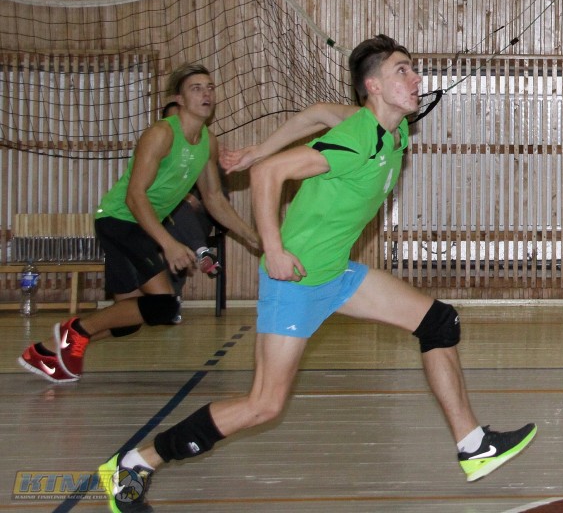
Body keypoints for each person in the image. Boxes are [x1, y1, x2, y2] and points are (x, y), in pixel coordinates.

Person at [98, 36, 536, 512]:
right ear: (373, 86)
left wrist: (255, 149)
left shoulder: (391, 130)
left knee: (439, 322)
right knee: (263, 405)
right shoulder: (356, 139)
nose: (416, 79)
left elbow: (316, 113)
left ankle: (473, 445)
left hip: (335, 274)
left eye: (413, 69)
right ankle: (135, 463)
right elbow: (268, 176)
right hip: (297, 281)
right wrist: (274, 248)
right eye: (402, 71)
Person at [18, 63, 259, 384]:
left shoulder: (208, 142)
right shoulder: (161, 134)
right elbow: (135, 196)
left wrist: (253, 237)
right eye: (196, 88)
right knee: (164, 306)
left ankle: (46, 352)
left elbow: (214, 198)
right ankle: (74, 331)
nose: (206, 93)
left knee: (128, 320)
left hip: (138, 225)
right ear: (179, 99)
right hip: (121, 220)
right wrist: (169, 243)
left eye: (210, 87)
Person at [160, 101, 228, 295]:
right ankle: (203, 252)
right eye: (173, 122)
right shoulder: (156, 153)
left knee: (175, 220)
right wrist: (182, 195)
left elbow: (221, 201)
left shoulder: (205, 150)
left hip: (199, 219)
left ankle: (171, 298)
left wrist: (199, 201)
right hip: (161, 221)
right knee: (172, 217)